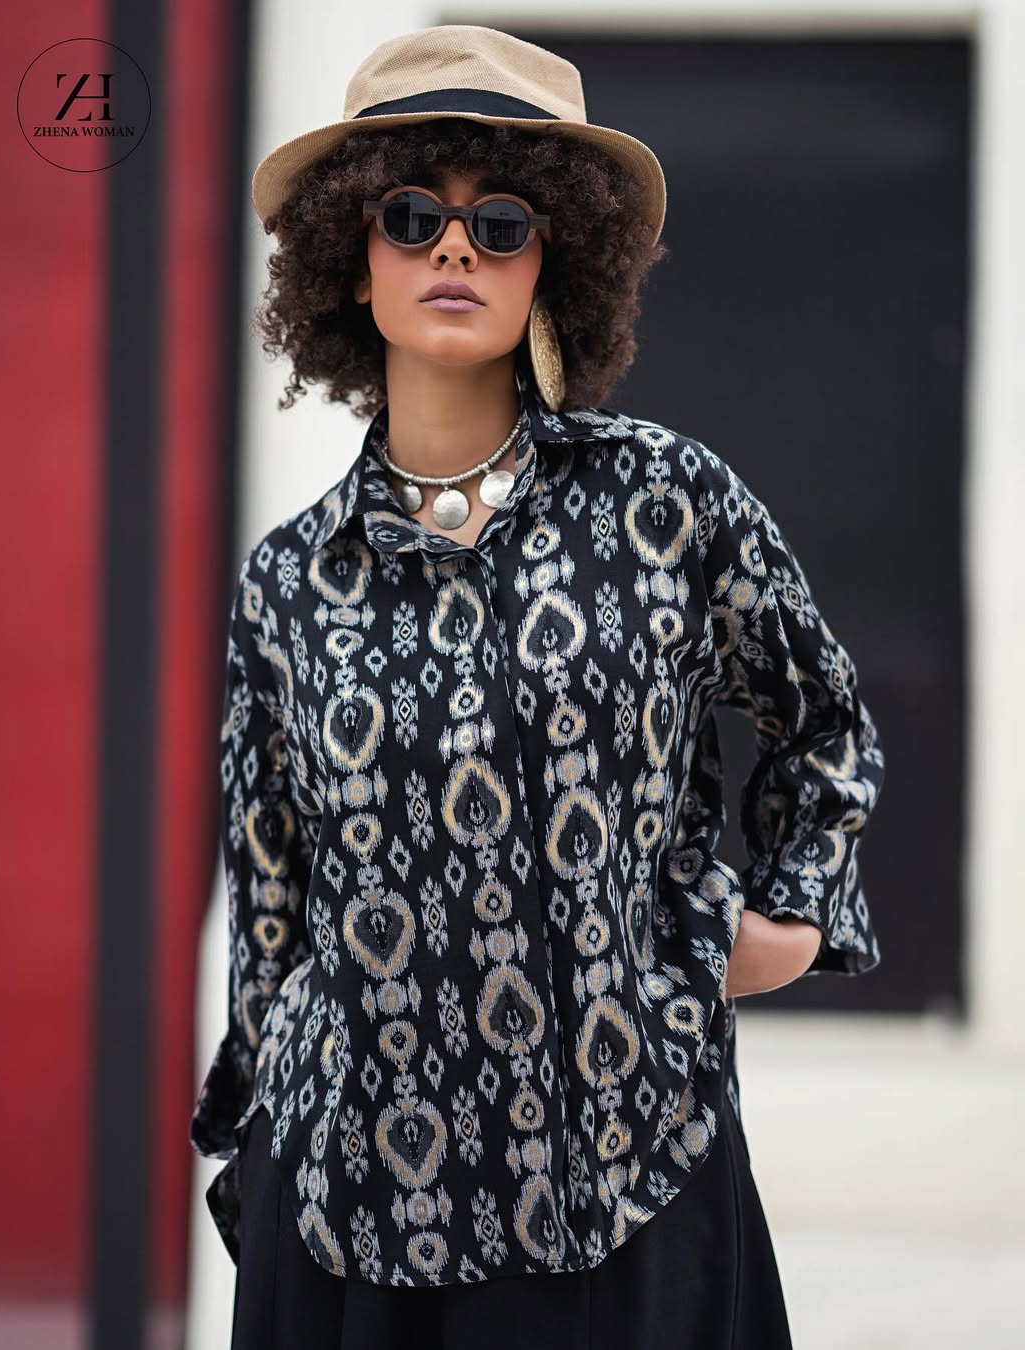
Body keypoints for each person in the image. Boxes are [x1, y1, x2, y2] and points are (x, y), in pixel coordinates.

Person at [189, 23, 886, 1349]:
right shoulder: (289, 582)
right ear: (352, 259)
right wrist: (261, 1147)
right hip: (353, 1214)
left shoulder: (666, 502)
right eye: (411, 216)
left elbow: (825, 726)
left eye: (500, 224)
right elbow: (271, 908)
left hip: (629, 1180)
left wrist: (786, 918)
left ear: (553, 261)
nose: (454, 249)